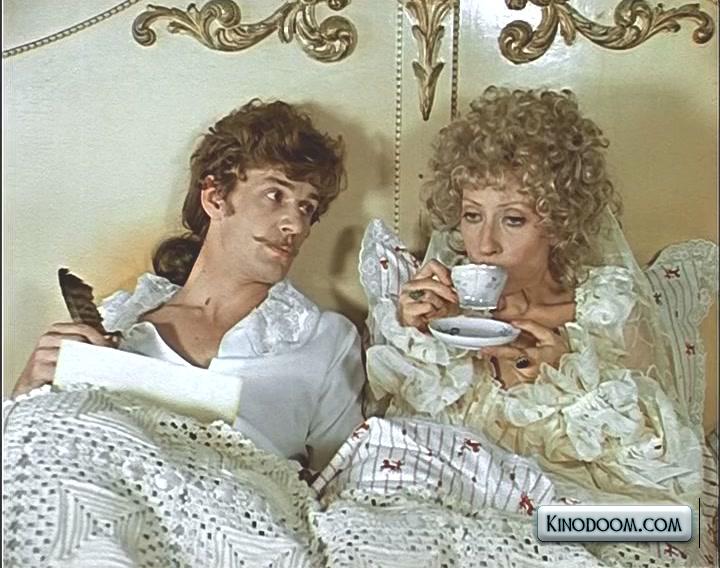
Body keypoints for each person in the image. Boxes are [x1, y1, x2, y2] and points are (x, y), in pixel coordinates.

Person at [359, 86, 702, 505]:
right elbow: (391, 450)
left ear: (559, 224)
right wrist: (412, 338)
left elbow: (666, 490)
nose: (485, 244)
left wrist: (574, 386)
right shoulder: (441, 314)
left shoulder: (608, 312)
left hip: (565, 523)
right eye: (472, 215)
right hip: (447, 513)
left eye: (514, 220)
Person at [11, 99, 366, 471]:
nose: (295, 224)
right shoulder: (117, 324)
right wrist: (26, 393)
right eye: (275, 195)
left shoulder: (326, 339)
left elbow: (347, 480)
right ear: (215, 197)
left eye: (307, 207)